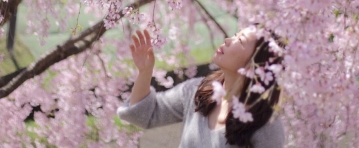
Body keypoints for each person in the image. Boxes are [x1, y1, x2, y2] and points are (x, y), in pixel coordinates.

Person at [117, 25, 285, 147]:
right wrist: (145, 72)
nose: (228, 40)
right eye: (234, 35)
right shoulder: (196, 91)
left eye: (239, 41)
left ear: (256, 65)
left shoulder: (265, 124)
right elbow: (144, 114)